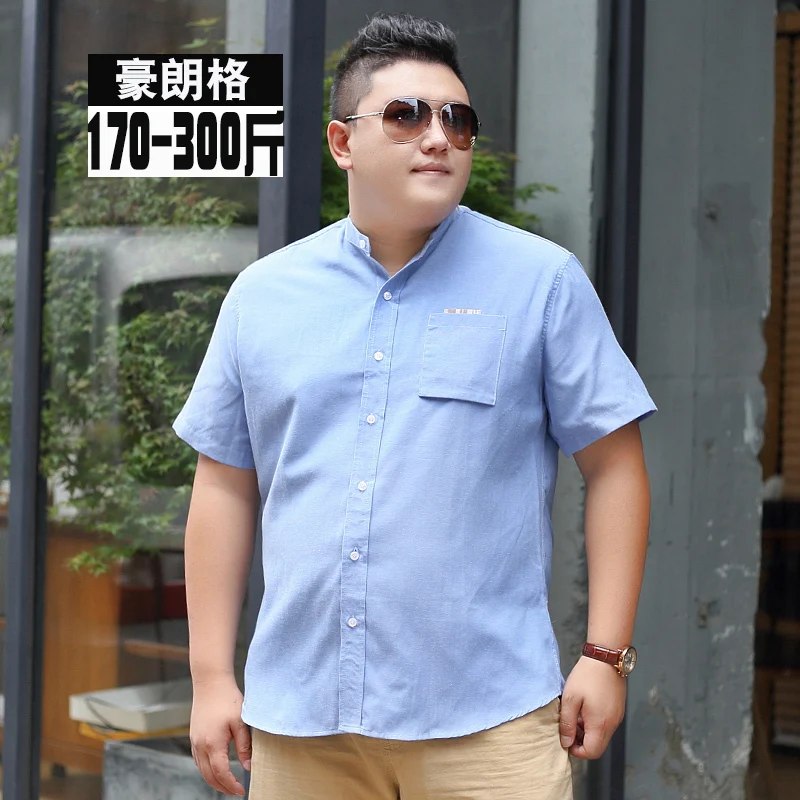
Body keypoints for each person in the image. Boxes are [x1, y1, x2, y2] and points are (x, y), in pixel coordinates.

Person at [173, 11, 657, 800]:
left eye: (457, 120)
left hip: (488, 725)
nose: (438, 137)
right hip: (302, 723)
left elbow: (616, 467)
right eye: (406, 115)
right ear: (342, 143)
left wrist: (606, 656)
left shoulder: (541, 282)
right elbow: (224, 484)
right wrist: (210, 676)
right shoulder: (263, 296)